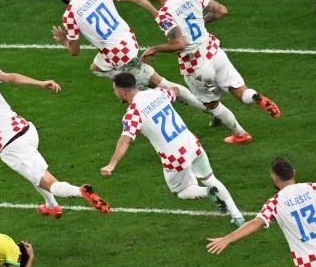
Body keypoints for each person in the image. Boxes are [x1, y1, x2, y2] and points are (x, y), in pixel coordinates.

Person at [0, 56, 110, 218]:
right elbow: (12, 78)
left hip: (10, 145)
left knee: (50, 183)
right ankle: (51, 206)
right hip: (26, 129)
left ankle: (80, 191)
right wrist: (40, 83)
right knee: (33, 174)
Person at [141, 0, 281, 144]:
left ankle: (241, 134)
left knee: (211, 105)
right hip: (214, 52)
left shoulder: (164, 14)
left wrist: (155, 49)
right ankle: (254, 97)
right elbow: (221, 10)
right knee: (240, 91)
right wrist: (201, 22)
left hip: (196, 65)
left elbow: (179, 44)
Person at [48, 0, 208, 112]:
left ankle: (210, 109)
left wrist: (64, 41)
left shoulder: (70, 15)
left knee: (161, 83)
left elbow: (74, 51)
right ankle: (132, 84)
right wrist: (157, 14)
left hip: (119, 55)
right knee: (96, 67)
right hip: (127, 40)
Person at [100, 73, 245, 225]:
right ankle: (237, 216)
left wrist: (111, 165)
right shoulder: (158, 93)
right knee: (210, 179)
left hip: (174, 156)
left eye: (114, 90)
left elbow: (125, 140)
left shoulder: (133, 113)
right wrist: (172, 93)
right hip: (192, 143)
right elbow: (175, 90)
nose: (114, 93)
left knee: (180, 192)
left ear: (122, 92)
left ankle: (207, 192)